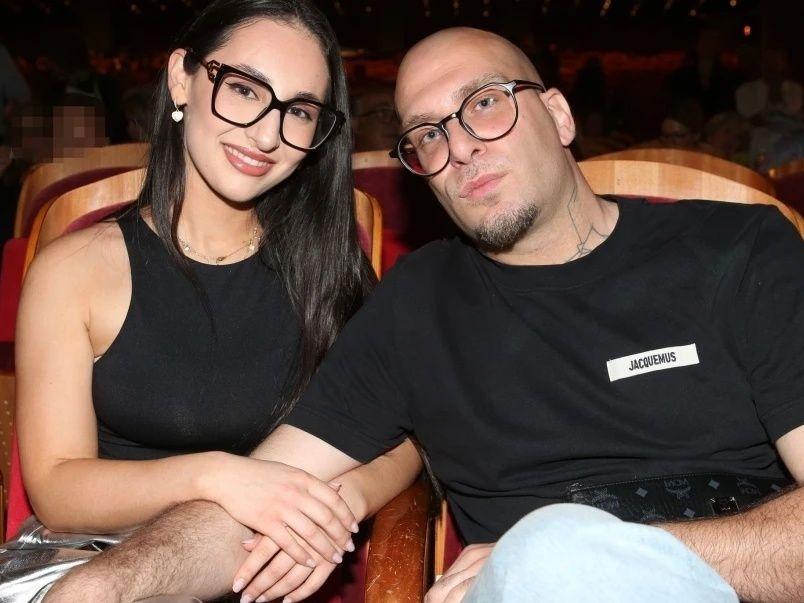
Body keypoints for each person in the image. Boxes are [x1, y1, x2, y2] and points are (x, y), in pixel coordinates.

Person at [47, 27, 804, 603]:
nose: (460, 149)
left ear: (559, 114)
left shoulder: (738, 251)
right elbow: (262, 496)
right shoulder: (418, 305)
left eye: (484, 105)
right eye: (427, 136)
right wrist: (107, 586)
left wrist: (594, 557)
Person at [5, 0, 421, 601]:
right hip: (85, 559)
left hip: (251, 568)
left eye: (300, 111)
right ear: (182, 78)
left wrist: (343, 499)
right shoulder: (76, 268)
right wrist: (219, 476)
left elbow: (403, 434)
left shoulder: (326, 266)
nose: (267, 135)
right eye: (245, 90)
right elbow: (56, 490)